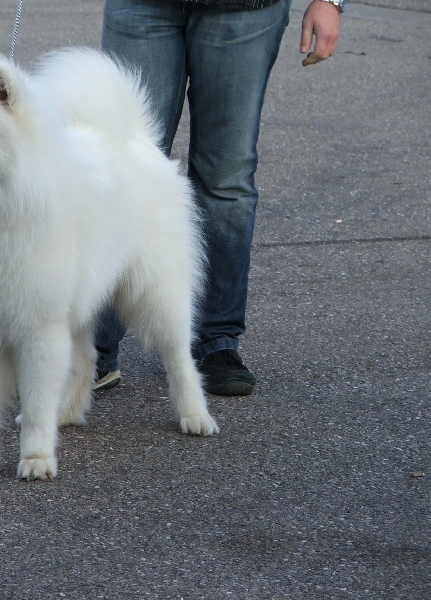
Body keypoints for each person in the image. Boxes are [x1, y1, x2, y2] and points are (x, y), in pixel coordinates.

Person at [94, 0, 343, 395]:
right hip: (140, 6)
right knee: (118, 168)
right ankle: (93, 349)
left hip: (245, 9)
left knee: (225, 180)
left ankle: (216, 342)